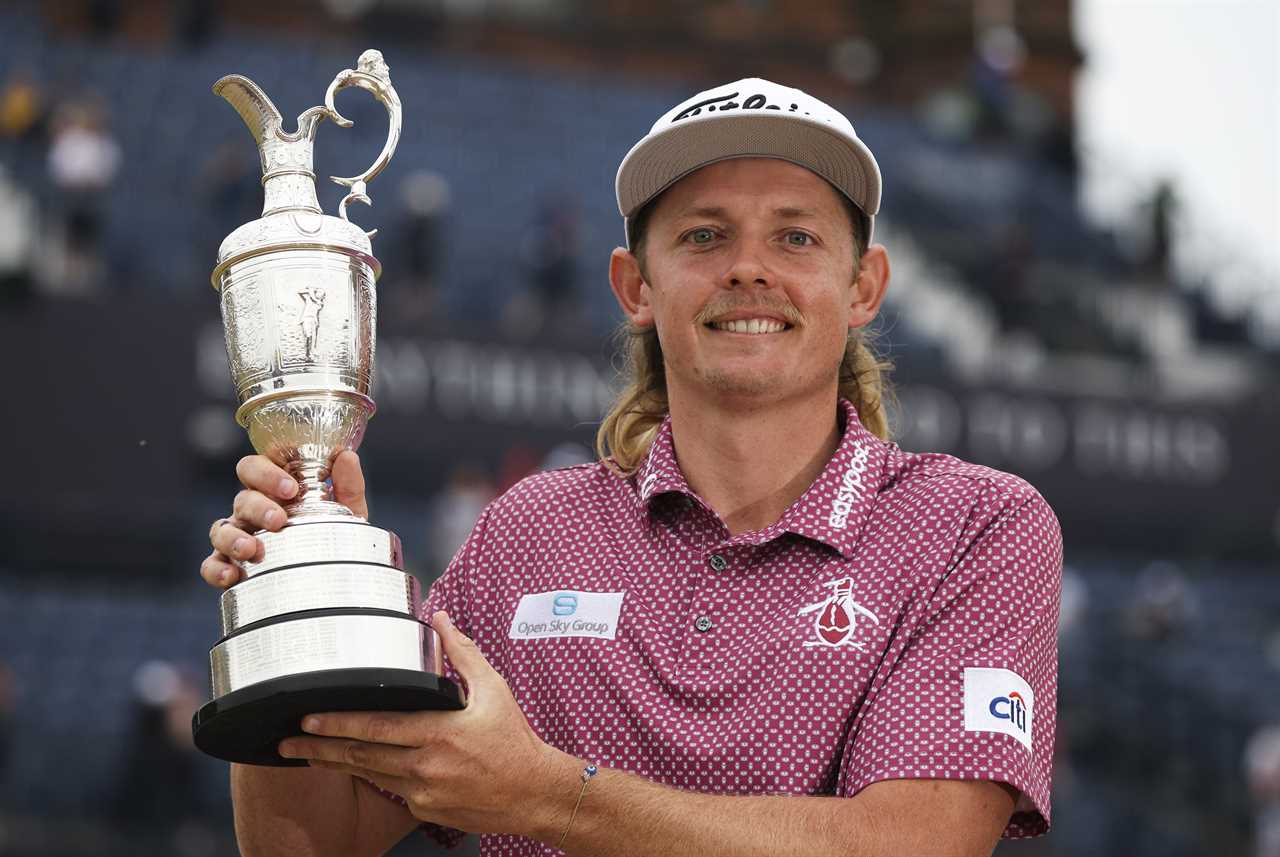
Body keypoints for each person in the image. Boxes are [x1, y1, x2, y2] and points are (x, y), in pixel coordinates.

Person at [201, 77, 1062, 856]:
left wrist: (545, 796)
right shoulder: (529, 532)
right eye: (704, 235)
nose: (749, 268)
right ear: (636, 287)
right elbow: (319, 844)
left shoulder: (975, 524)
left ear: (865, 285)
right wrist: (294, 605)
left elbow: (910, 847)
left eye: (796, 236)